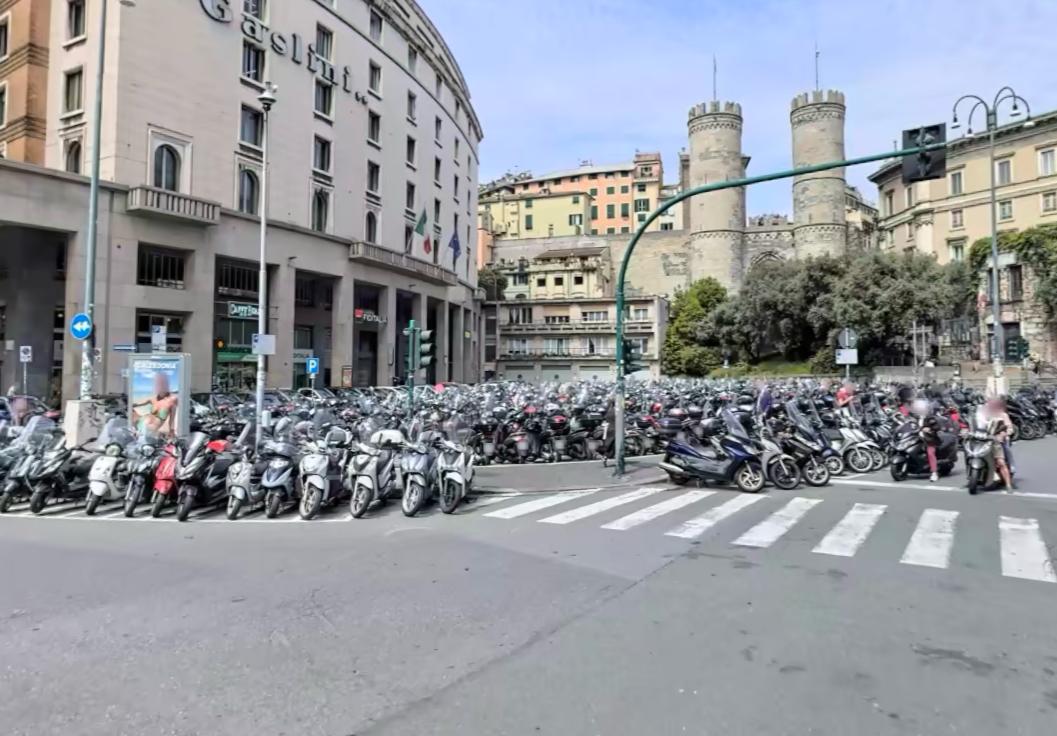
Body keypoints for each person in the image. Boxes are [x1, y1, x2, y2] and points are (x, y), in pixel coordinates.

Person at [976, 398, 1014, 493]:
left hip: (996, 442)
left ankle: (1008, 485)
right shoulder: (984, 415)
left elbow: (1009, 428)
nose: (992, 407)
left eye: (994, 405)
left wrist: (1004, 434)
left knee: (1001, 462)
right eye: (990, 405)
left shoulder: (1003, 415)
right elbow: (978, 425)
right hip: (984, 441)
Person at [132, 371, 179, 437]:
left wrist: (172, 430)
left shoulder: (172, 400)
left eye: (161, 383)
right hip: (143, 424)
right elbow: (137, 404)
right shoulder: (153, 399)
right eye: (157, 383)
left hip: (150, 430)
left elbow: (172, 419)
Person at [910, 399, 942, 482]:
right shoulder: (915, 418)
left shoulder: (930, 418)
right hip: (917, 438)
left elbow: (937, 427)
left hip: (929, 439)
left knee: (930, 453)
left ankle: (934, 473)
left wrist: (929, 429)